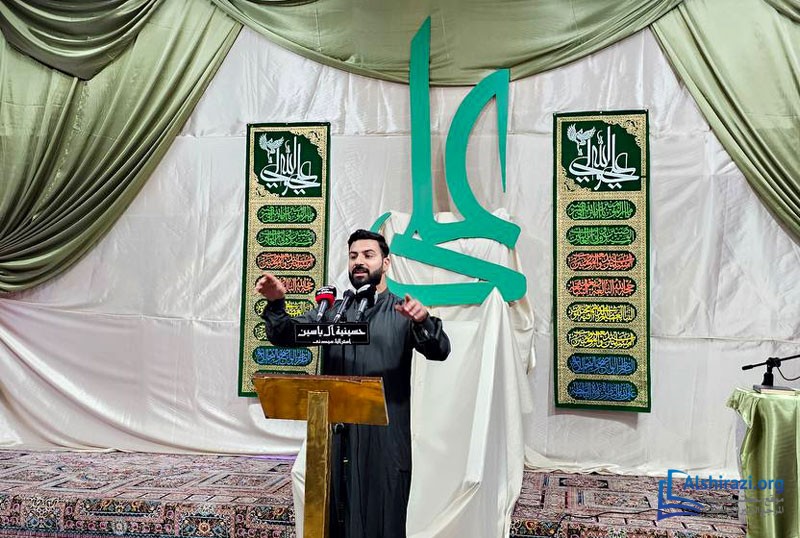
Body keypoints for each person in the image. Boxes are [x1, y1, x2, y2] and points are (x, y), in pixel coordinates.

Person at [256, 229, 451, 538]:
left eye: (368, 255)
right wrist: (277, 303)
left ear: (386, 263)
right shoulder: (331, 313)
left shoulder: (401, 312)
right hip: (335, 441)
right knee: (334, 521)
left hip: (385, 443)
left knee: (383, 522)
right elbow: (286, 335)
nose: (359, 261)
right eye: (353, 256)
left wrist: (423, 321)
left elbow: (439, 350)